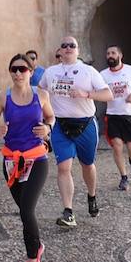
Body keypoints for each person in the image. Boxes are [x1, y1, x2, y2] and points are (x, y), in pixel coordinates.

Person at [0, 53, 54, 262]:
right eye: (13, 69)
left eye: (22, 69)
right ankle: (38, 245)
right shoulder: (3, 98)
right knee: (24, 211)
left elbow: (51, 117)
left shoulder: (41, 95)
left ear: (31, 72)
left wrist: (47, 128)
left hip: (36, 159)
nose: (17, 73)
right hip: (11, 162)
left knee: (26, 210)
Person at [38, 36, 113, 227]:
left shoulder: (88, 71)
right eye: (64, 45)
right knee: (63, 167)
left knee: (87, 164)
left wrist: (86, 94)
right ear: (60, 51)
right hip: (61, 126)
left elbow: (108, 94)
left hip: (86, 125)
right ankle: (68, 212)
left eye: (72, 45)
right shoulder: (51, 72)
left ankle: (92, 195)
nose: (68, 48)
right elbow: (40, 92)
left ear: (78, 51)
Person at [99, 45, 131, 191]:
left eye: (113, 53)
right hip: (113, 116)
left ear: (120, 55)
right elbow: (98, 91)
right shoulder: (102, 75)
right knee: (117, 146)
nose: (110, 56)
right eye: (108, 53)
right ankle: (124, 177)